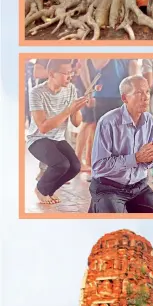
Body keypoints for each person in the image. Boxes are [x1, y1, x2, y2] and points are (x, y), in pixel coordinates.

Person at [88, 75, 153, 213]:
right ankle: (98, 204)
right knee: (115, 223)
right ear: (124, 98)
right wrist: (136, 158)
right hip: (107, 188)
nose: (146, 97)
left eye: (147, 91)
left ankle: (99, 207)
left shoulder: (152, 122)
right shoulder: (108, 122)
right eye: (138, 93)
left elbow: (152, 160)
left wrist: (149, 158)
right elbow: (99, 166)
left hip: (139, 187)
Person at [27, 59, 90, 205]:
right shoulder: (36, 93)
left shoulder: (71, 89)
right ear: (51, 74)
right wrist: (68, 110)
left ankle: (48, 190)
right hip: (37, 139)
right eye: (65, 73)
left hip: (58, 138)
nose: (70, 77)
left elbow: (76, 122)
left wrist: (77, 109)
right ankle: (41, 189)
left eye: (71, 73)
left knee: (75, 167)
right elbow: (43, 127)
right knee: (61, 164)